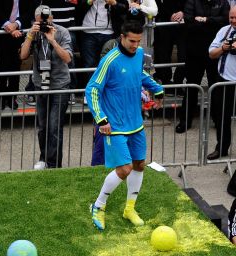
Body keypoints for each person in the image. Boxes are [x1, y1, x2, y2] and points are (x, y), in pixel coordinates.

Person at [86, 21, 164, 231]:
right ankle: (98, 205)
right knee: (125, 168)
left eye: (139, 41)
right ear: (122, 37)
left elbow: (138, 74)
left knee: (139, 164)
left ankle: (129, 209)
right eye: (132, 41)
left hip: (135, 123)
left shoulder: (138, 55)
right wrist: (101, 119)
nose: (135, 45)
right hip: (115, 126)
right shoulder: (109, 60)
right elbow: (92, 89)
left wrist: (157, 89)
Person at [20, 5, 73, 170]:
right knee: (43, 127)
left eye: (47, 20)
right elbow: (23, 55)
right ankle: (44, 158)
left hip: (59, 85)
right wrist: (30, 36)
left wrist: (52, 40)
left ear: (52, 18)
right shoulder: (33, 33)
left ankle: (54, 164)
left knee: (54, 127)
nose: (44, 24)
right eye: (40, 21)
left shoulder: (62, 32)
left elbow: (68, 58)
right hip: (40, 84)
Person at [175, 0, 228, 134]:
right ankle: (185, 121)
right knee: (192, 86)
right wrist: (212, 23)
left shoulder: (222, 2)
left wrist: (205, 20)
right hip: (194, 51)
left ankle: (218, 120)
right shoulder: (192, 1)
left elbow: (224, 21)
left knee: (216, 87)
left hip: (215, 52)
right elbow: (189, 21)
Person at [208, 5, 236, 160]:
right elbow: (211, 53)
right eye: (231, 17)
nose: (233, 20)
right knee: (221, 117)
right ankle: (222, 148)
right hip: (224, 81)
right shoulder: (224, 31)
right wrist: (223, 48)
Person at [0, 0, 25, 109]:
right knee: (2, 67)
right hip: (2, 33)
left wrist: (16, 24)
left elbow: (28, 12)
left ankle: (12, 98)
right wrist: (9, 26)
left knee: (15, 67)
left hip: (19, 33)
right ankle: (0, 97)